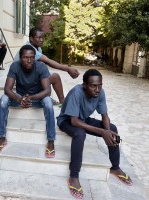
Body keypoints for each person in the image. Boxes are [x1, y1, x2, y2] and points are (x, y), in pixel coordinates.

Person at [56, 69, 133, 199]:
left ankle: (115, 167)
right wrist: (102, 132)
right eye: (93, 86)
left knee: (113, 128)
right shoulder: (77, 92)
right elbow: (74, 122)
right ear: (84, 85)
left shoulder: (100, 92)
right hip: (67, 120)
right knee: (80, 134)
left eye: (99, 85)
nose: (97, 89)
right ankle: (73, 176)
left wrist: (107, 131)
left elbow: (105, 116)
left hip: (84, 119)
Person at [0, 45, 56, 158]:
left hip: (36, 98)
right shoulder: (15, 66)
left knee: (48, 102)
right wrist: (19, 99)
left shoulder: (41, 66)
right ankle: (2, 137)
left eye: (32, 57)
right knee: (3, 99)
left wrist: (32, 98)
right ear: (20, 58)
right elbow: (7, 89)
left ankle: (51, 140)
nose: (29, 60)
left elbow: (47, 91)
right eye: (26, 57)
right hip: (20, 98)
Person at [14, 28, 80, 106]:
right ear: (31, 38)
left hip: (28, 78)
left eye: (43, 37)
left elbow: (41, 68)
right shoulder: (29, 49)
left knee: (45, 75)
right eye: (39, 37)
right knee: (55, 77)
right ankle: (63, 103)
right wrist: (68, 69)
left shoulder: (37, 48)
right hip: (23, 82)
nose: (41, 40)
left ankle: (51, 98)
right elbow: (48, 61)